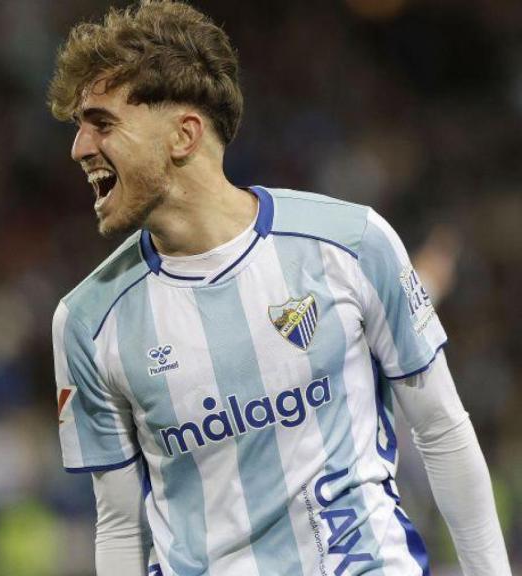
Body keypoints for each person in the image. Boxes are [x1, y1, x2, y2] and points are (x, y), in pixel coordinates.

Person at [47, 2, 511, 575]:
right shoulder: (87, 322)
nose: (80, 147)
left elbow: (440, 426)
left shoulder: (351, 242)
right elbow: (119, 524)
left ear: (184, 135)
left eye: (103, 123)